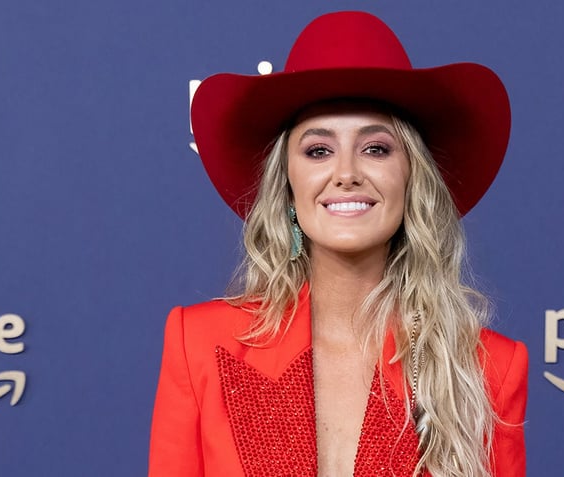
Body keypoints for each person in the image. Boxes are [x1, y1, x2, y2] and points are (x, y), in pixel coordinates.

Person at [149, 10, 527, 477]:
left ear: (413, 179)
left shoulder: (487, 367)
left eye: (376, 148)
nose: (346, 174)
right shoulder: (198, 344)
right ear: (287, 184)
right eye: (319, 151)